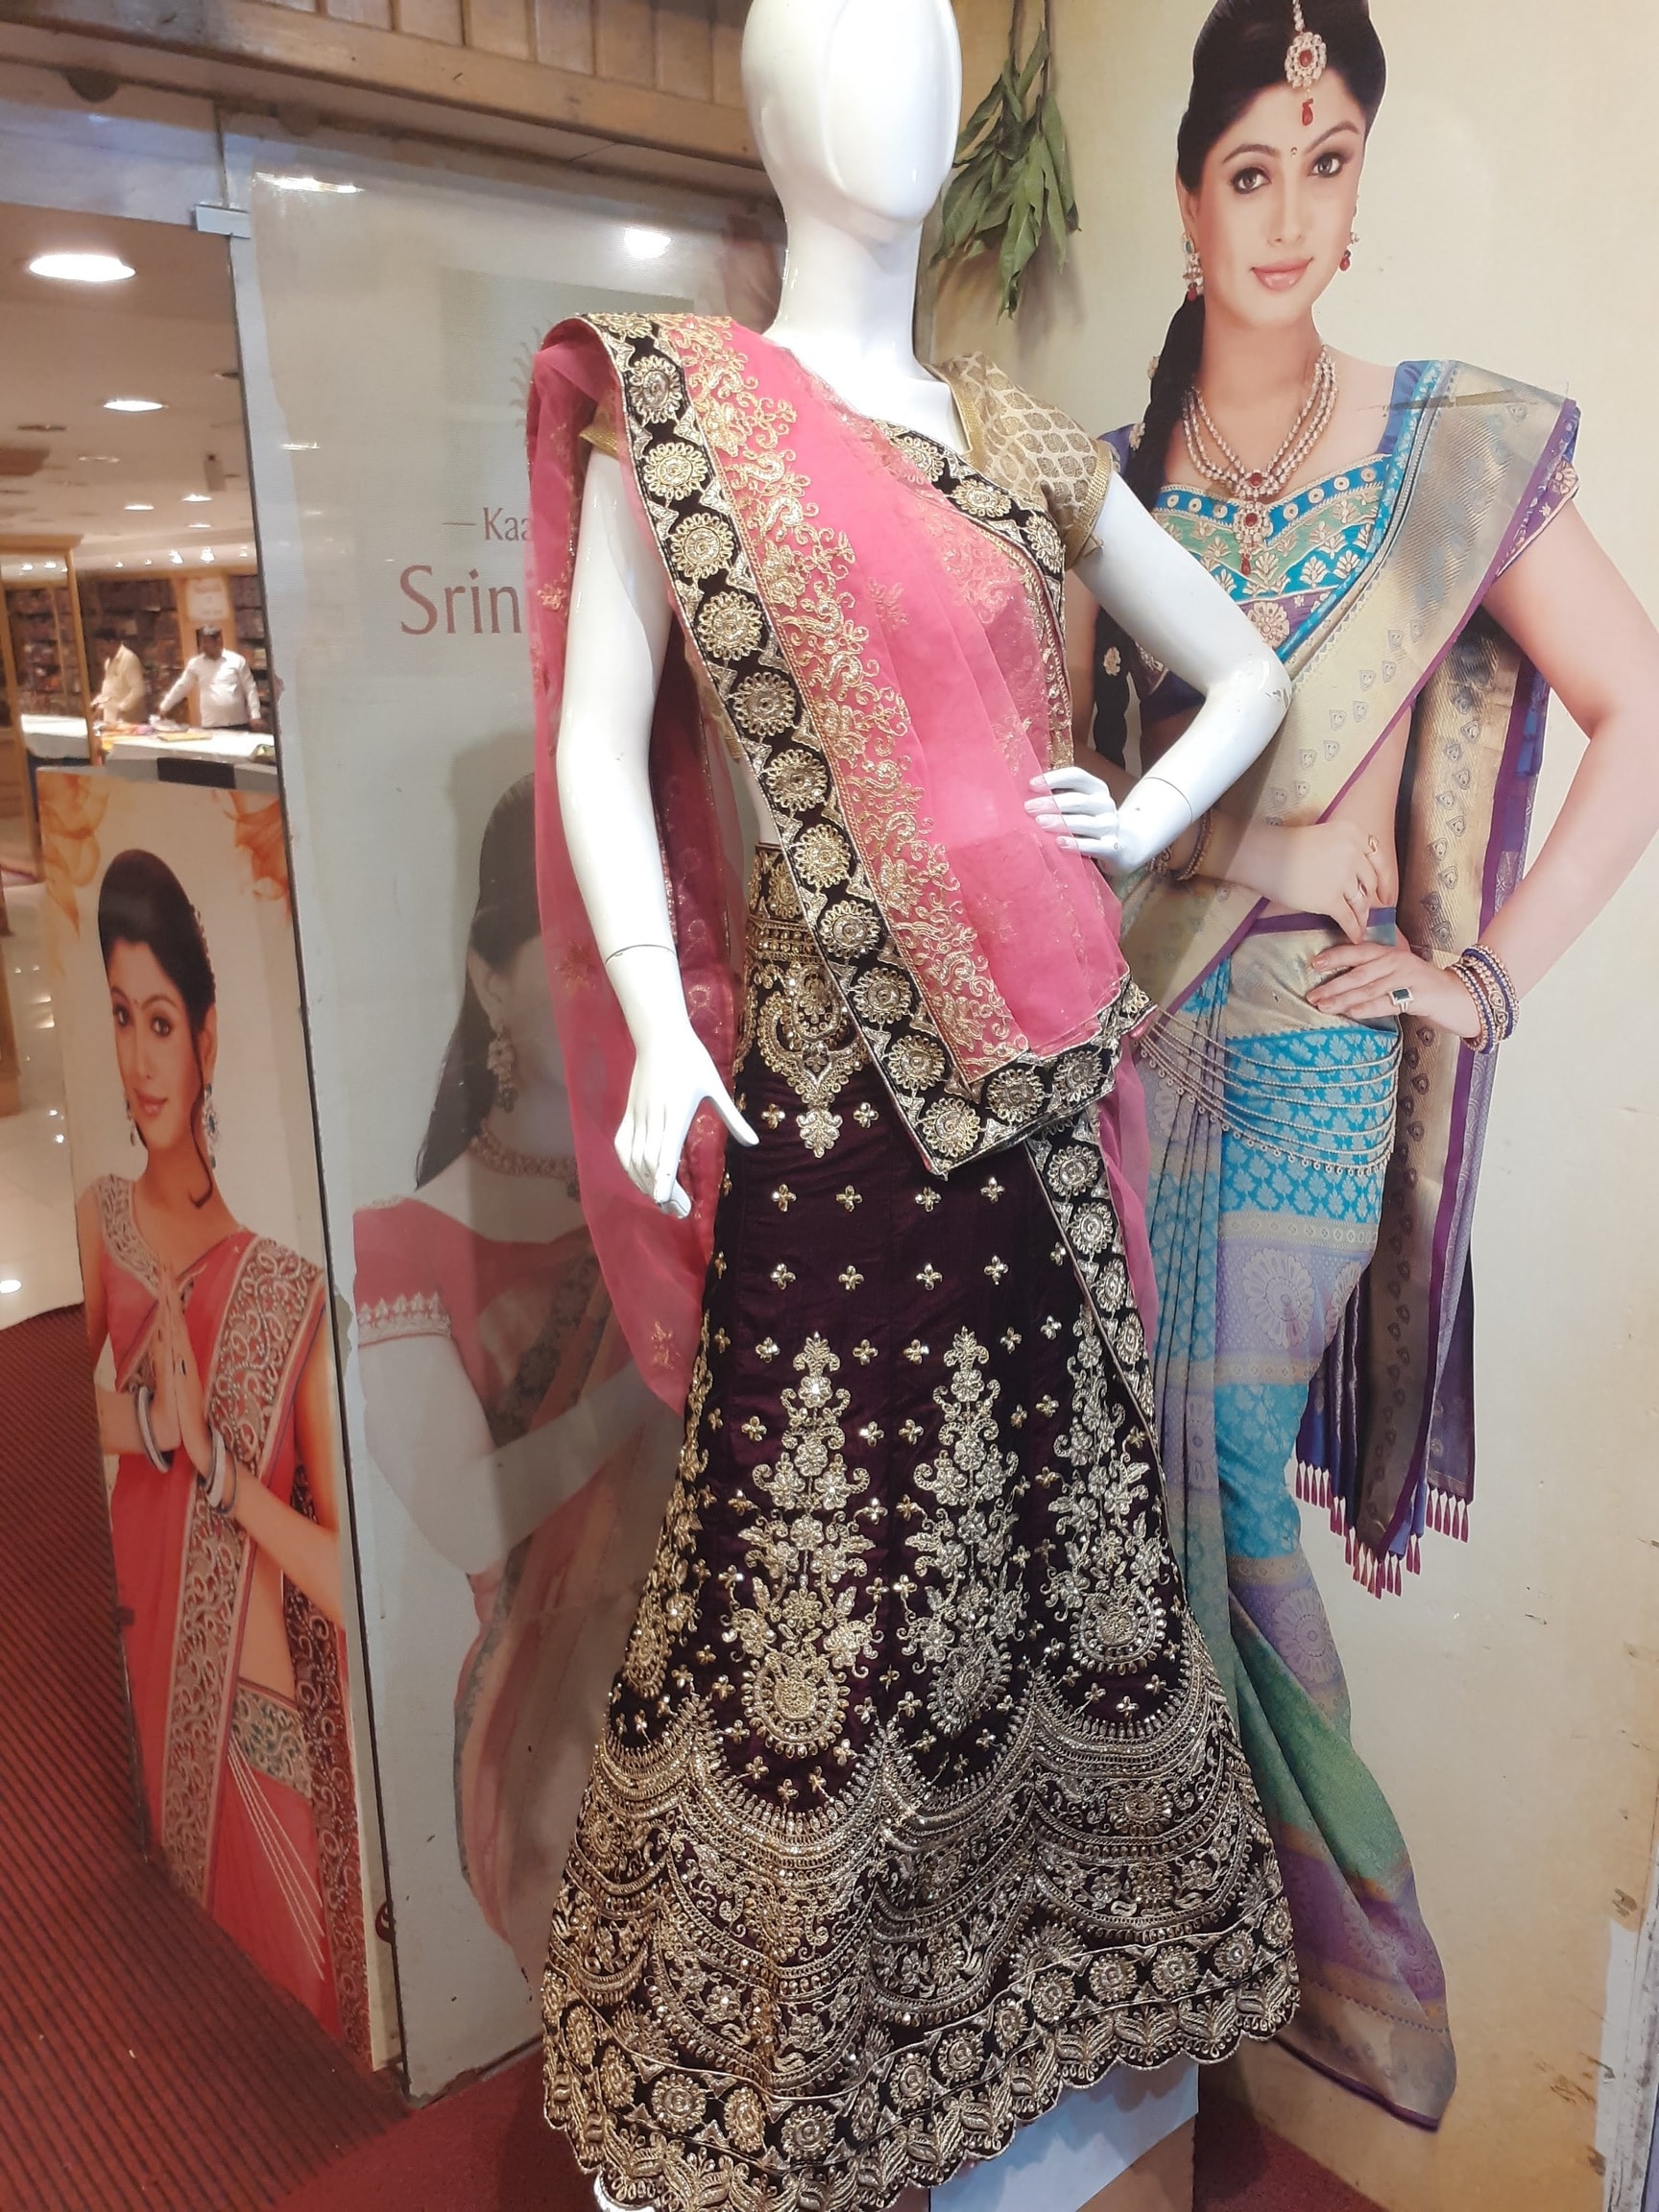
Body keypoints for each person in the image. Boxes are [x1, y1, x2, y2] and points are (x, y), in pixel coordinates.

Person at [529, 6, 1309, 2206]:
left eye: (918, 47)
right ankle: (800, 2067)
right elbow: (598, 744)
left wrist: (1131, 811)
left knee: (1053, 1566)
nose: (892, 82)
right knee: (820, 1596)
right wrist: (658, 1022)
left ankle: (1049, 2010)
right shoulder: (676, 411)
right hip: (824, 1112)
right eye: (840, 39)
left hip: (1038, 1108)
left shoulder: (1015, 436)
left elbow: (1244, 667)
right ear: (766, 99)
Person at [1029, 0, 1659, 2128]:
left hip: (1308, 1047)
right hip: (1141, 1045)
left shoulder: (1436, 450)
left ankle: (1338, 1959)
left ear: (1359, 181)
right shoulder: (1115, 481)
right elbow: (1068, 811)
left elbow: (1638, 707)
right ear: (1186, 198)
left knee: (1219, 1465)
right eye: (1250, 170)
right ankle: (1151, 1972)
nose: (1289, 214)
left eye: (1327, 162)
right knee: (1112, 1493)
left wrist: (1486, 977)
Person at [352, 779, 678, 1978]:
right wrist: (641, 1382)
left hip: (724, 1674)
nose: (614, 986)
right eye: (577, 951)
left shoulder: (677, 1179)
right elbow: (465, 1516)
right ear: (490, 982)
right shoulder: (408, 1245)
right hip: (552, 1740)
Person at [77, 848, 368, 2052]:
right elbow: (83, 1413)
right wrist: (153, 1424)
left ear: (206, 1036)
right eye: (119, 1018)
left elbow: (346, 1584)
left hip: (260, 1726)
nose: (140, 1059)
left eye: (161, 1022)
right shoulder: (102, 1220)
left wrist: (221, 1473)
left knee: (291, 2023)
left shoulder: (287, 1291)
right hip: (143, 1649)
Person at [156, 624, 262, 730]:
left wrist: (255, 714)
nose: (203, 646)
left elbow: (250, 688)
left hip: (237, 722)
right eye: (202, 642)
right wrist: (165, 706)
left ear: (219, 641)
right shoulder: (196, 664)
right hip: (212, 723)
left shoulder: (237, 660)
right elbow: (182, 686)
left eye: (207, 642)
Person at [90, 625, 147, 725]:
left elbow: (138, 690)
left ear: (111, 642)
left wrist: (123, 707)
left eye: (101, 644)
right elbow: (108, 690)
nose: (99, 649)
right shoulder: (108, 662)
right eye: (97, 645)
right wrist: (101, 706)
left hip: (129, 721)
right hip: (111, 720)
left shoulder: (129, 659)